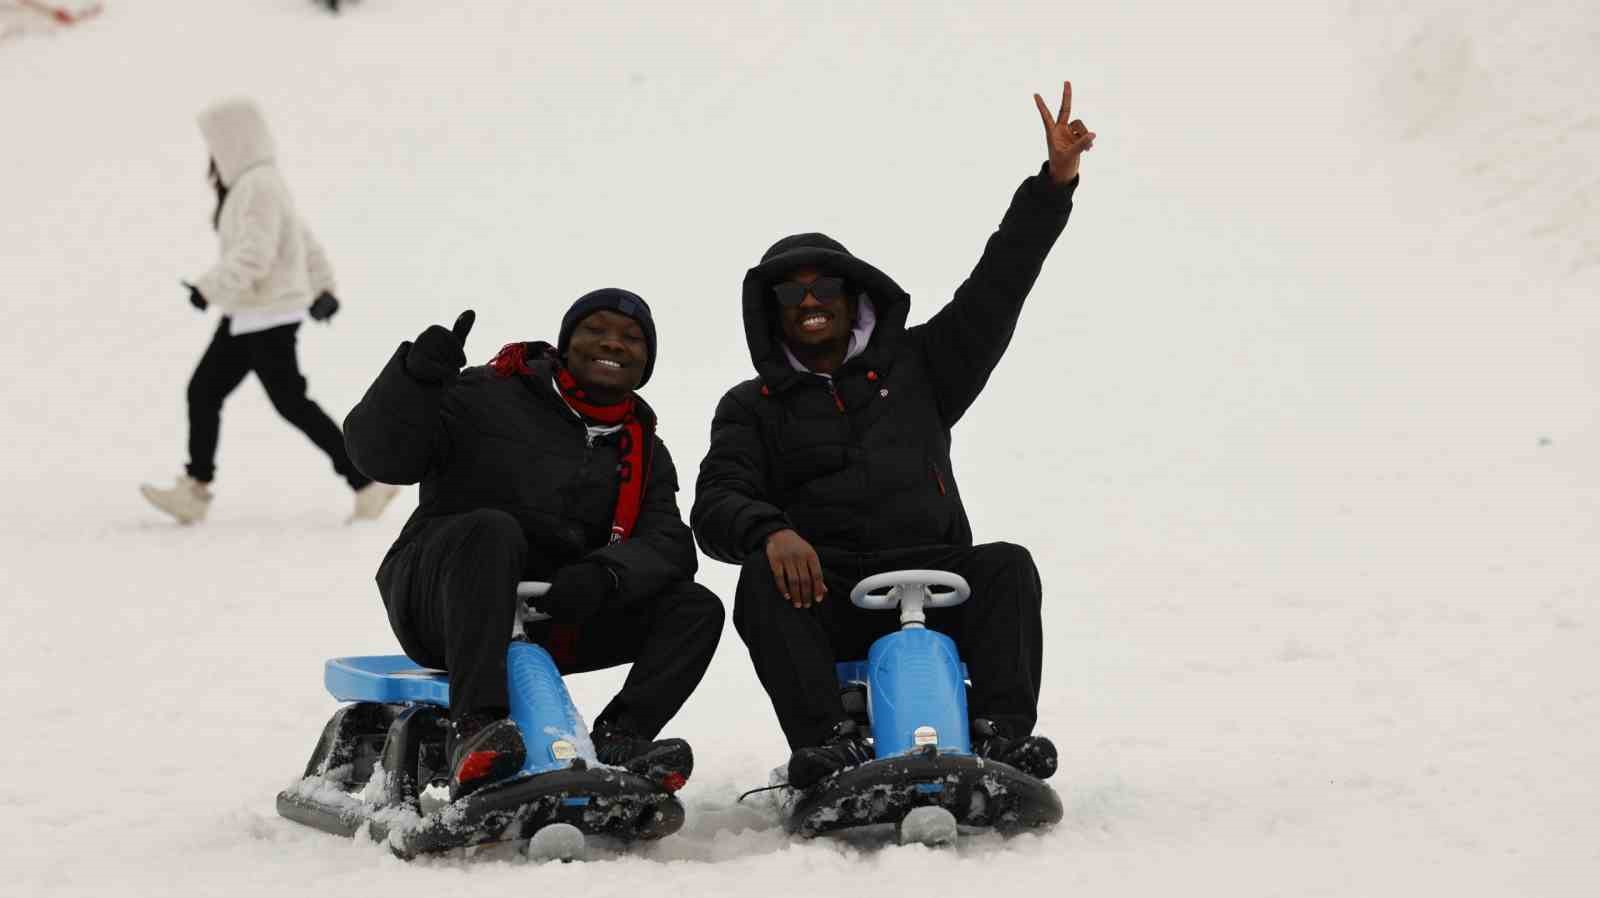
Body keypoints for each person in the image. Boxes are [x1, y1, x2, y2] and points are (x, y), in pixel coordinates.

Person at [691, 81, 1096, 790]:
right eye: (790, 292)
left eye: (825, 288)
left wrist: (1053, 184)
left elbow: (998, 284)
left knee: (1007, 566)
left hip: (939, 574)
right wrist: (771, 532)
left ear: (854, 298)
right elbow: (717, 502)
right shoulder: (751, 406)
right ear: (771, 311)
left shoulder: (924, 366)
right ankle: (829, 746)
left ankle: (1002, 739)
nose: (810, 301)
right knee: (760, 579)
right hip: (829, 589)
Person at [344, 291, 724, 800]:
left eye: (632, 338)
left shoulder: (643, 449)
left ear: (646, 363)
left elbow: (669, 544)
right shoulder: (484, 392)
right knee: (493, 529)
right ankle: (476, 730)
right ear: (566, 344)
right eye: (596, 329)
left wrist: (605, 573)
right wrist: (414, 380)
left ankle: (619, 739)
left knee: (695, 608)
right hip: (442, 601)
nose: (614, 343)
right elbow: (382, 459)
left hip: (550, 614)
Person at [140, 98, 397, 525]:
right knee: (207, 392)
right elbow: (302, 238)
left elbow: (254, 256)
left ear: (231, 141)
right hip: (250, 315)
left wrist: (207, 289)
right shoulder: (263, 183)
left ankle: (367, 483)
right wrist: (323, 286)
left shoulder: (256, 186)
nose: (212, 156)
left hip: (265, 317)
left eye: (214, 144)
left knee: (286, 403)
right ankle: (196, 489)